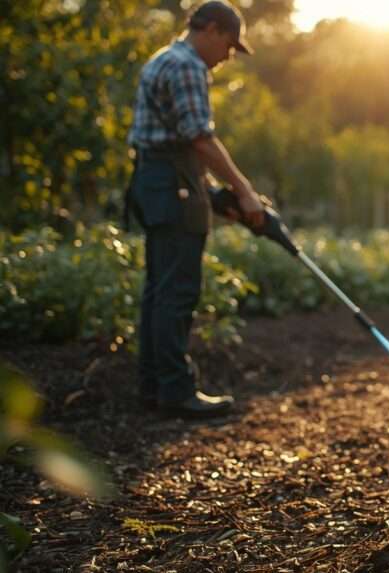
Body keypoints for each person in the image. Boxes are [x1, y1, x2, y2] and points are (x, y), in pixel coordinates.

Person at [126, 0, 264, 419]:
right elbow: (200, 139)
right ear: (213, 30)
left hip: (158, 180)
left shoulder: (163, 59)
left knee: (158, 290)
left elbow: (181, 144)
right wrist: (244, 191)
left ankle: (155, 387)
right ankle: (175, 391)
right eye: (229, 46)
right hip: (171, 185)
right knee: (176, 291)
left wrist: (216, 193)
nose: (227, 57)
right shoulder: (188, 66)